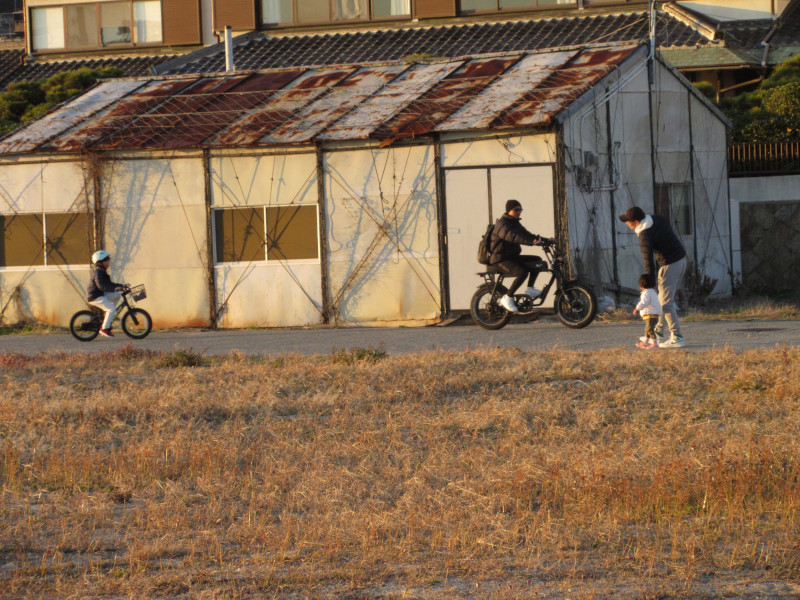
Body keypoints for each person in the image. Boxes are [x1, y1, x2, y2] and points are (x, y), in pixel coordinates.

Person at [618, 206, 687, 348]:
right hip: (681, 260)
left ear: (636, 222)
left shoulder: (645, 235)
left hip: (670, 265)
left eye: (628, 221)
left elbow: (647, 260)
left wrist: (649, 284)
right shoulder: (656, 219)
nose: (626, 223)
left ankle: (677, 336)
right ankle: (657, 333)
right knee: (662, 302)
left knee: (666, 303)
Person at [489, 199, 554, 313]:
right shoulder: (502, 224)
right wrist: (531, 242)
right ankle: (507, 298)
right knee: (522, 272)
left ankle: (530, 288)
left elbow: (529, 235)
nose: (519, 212)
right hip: (500, 259)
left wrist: (546, 240)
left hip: (511, 257)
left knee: (537, 261)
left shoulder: (515, 223)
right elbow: (514, 237)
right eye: (516, 210)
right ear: (509, 210)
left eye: (520, 210)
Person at [86, 250, 127, 338]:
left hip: (100, 294)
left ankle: (108, 314)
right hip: (95, 296)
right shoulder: (98, 273)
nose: (109, 262)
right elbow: (101, 286)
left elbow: (110, 284)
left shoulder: (102, 272)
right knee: (111, 309)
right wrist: (114, 288)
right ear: (100, 263)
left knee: (117, 295)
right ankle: (104, 329)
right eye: (107, 260)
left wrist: (121, 286)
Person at [633, 273, 661, 349]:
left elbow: (644, 302)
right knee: (648, 329)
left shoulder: (647, 293)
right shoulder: (653, 292)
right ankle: (645, 341)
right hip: (654, 314)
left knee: (650, 329)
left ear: (642, 285)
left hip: (650, 314)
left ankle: (655, 343)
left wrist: (637, 308)